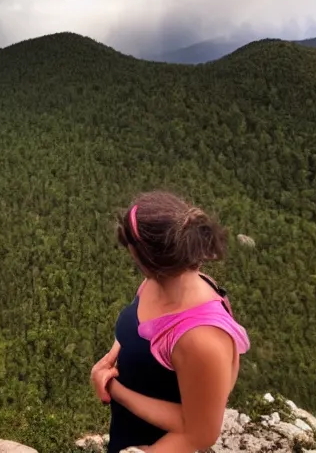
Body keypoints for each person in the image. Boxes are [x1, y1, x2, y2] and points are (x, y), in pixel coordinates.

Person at [92, 192, 249, 453]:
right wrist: (110, 359)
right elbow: (137, 328)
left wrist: (113, 388)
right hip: (126, 427)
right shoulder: (156, 282)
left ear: (143, 256)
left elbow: (201, 433)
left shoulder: (201, 338)